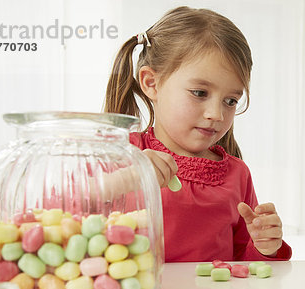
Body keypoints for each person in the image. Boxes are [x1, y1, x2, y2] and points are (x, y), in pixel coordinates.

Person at [104, 6, 291, 262]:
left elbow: (244, 263)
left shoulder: (238, 175)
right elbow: (59, 211)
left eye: (230, 100)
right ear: (151, 83)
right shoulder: (120, 155)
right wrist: (120, 182)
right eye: (200, 93)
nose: (216, 113)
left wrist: (263, 246)